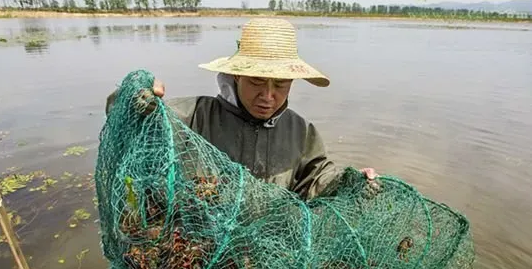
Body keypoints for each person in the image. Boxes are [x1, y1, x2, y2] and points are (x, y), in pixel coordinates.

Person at [107, 18, 377, 199]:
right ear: (236, 75)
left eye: (281, 85)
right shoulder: (196, 116)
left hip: (271, 245)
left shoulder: (299, 130)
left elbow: (316, 177)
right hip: (204, 247)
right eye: (257, 81)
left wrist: (349, 180)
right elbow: (126, 118)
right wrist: (134, 98)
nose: (268, 96)